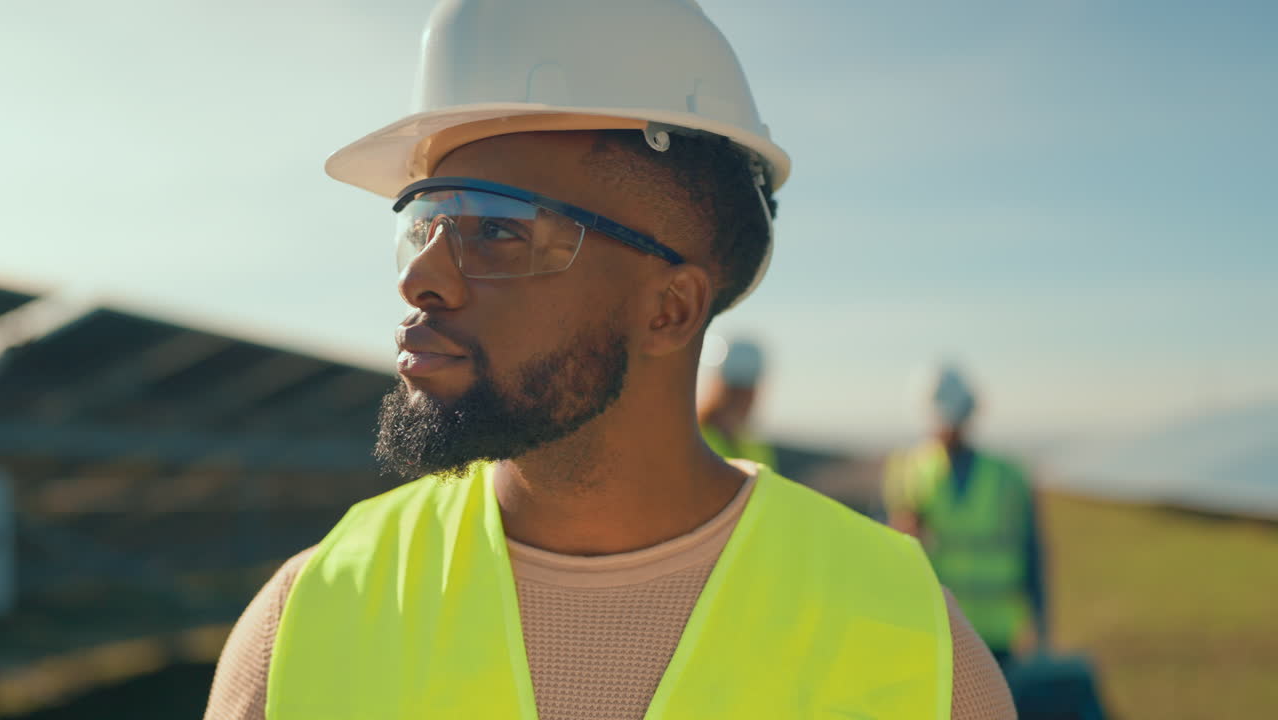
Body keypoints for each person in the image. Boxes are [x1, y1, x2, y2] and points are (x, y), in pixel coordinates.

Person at [205, 2, 1013, 718]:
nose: (422, 277)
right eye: (423, 223)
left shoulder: (917, 650)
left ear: (670, 309)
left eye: (495, 229)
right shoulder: (305, 620)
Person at [884, 364, 1049, 668]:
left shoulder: (1008, 478)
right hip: (937, 630)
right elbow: (890, 560)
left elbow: (1033, 556)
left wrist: (1041, 631)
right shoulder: (907, 473)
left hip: (997, 635)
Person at [698, 339, 777, 468]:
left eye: (746, 391)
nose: (741, 400)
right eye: (734, 391)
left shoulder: (755, 447)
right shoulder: (693, 440)